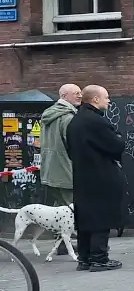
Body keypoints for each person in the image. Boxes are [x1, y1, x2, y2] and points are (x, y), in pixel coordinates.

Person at [66, 85, 125, 272]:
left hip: (81, 175)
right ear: (95, 100)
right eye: (106, 97)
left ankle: (84, 259)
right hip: (101, 176)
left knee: (85, 218)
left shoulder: (74, 121)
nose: (109, 101)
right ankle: (99, 258)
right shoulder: (96, 122)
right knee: (101, 216)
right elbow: (116, 146)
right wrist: (119, 138)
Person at [41, 84, 82, 255]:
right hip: (65, 171)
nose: (80, 95)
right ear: (64, 96)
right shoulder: (68, 118)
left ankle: (62, 245)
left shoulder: (49, 114)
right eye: (76, 93)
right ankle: (76, 244)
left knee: (60, 208)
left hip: (50, 170)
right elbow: (74, 146)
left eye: (80, 92)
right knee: (73, 208)